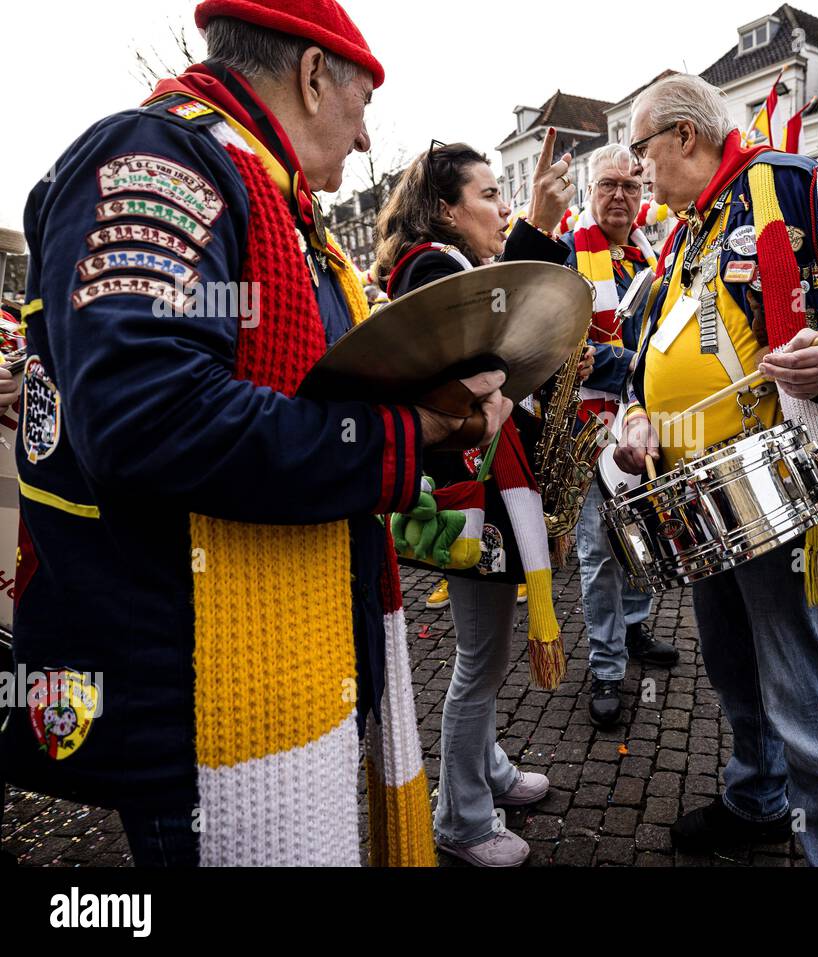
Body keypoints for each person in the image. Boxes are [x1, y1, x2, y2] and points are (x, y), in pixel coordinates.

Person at [2, 0, 519, 867]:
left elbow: (295, 399)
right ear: (314, 75)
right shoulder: (155, 157)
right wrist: (394, 438)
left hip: (273, 684)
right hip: (201, 713)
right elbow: (150, 415)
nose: (364, 144)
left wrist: (428, 425)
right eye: (363, 108)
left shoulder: (270, 198)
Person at [615, 74, 818, 866]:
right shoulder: (686, 233)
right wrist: (639, 414)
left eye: (643, 149)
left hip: (780, 490)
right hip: (700, 500)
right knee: (728, 663)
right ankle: (757, 796)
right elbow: (653, 353)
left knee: (800, 682)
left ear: (685, 135)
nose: (639, 168)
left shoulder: (789, 187)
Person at [373, 133, 578, 867]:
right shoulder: (431, 268)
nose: (500, 207)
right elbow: (490, 338)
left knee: (480, 655)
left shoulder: (451, 264)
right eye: (488, 195)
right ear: (444, 210)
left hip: (484, 496)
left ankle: (486, 769)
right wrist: (539, 228)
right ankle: (460, 818)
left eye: (501, 194)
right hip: (472, 501)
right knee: (480, 660)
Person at [561, 145, 677, 729]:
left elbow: (663, 348)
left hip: (646, 422)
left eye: (631, 187)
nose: (620, 197)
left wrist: (623, 364)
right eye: (608, 185)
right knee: (598, 552)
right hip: (587, 432)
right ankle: (606, 669)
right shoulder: (565, 258)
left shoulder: (654, 260)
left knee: (646, 534)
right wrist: (627, 364)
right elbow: (564, 351)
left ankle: (634, 628)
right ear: (589, 191)